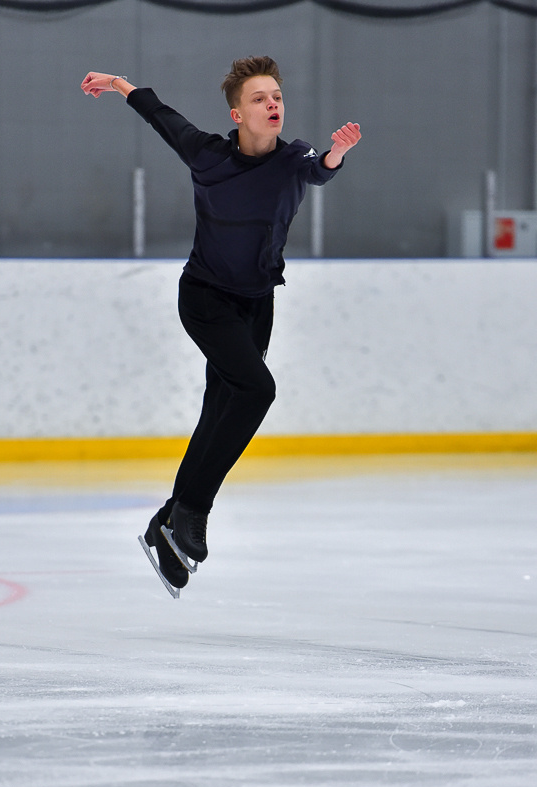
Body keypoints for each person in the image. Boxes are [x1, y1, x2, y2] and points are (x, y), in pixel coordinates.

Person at [81, 57, 361, 593]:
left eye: (277, 96)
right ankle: (192, 511)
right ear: (238, 113)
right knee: (256, 390)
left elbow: (318, 169)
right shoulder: (208, 154)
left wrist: (336, 155)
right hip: (206, 299)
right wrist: (118, 84)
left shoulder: (295, 156)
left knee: (221, 407)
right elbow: (162, 116)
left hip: (257, 305)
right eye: (260, 98)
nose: (273, 104)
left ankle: (166, 520)